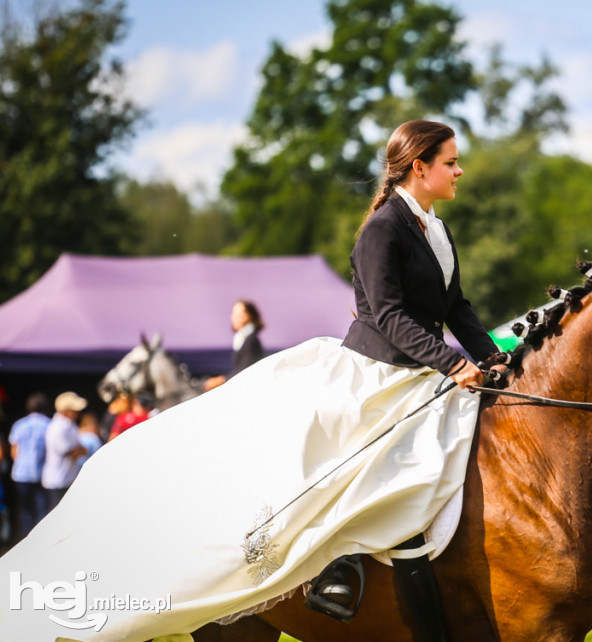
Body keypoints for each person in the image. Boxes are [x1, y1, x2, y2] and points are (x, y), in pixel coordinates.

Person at [0, 120, 504, 640]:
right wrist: (451, 362)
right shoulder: (383, 229)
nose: (459, 169)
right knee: (348, 463)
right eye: (450, 161)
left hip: (422, 370)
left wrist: (494, 361)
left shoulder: (437, 230)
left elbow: (457, 307)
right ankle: (335, 573)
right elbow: (390, 315)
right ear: (419, 167)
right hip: (374, 370)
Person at [7, 393, 51, 539]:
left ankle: (27, 540)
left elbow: (14, 452)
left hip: (21, 473)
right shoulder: (49, 424)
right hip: (41, 473)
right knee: (42, 510)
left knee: (25, 510)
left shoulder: (19, 424)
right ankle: (41, 540)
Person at [204, 299, 267, 390]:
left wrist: (221, 380)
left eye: (239, 315)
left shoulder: (251, 341)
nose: (234, 318)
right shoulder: (243, 339)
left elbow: (245, 371)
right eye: (234, 314)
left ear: (249, 316)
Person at [41, 391, 88, 510]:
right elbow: (72, 453)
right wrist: (79, 451)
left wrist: (79, 450)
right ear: (65, 411)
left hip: (67, 479)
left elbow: (81, 450)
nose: (78, 413)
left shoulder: (70, 425)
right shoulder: (57, 427)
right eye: (74, 410)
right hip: (57, 480)